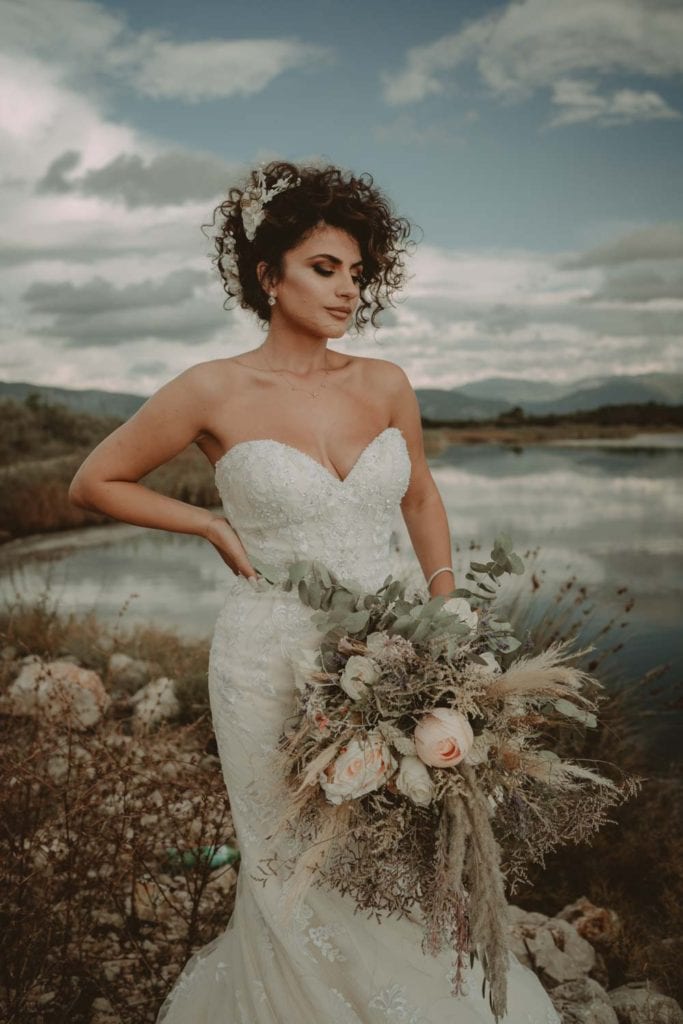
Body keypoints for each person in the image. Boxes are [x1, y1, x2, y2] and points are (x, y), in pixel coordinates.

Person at [69, 160, 560, 1023]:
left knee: (394, 843)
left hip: (393, 650)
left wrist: (445, 605)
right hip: (266, 658)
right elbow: (94, 482)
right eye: (323, 268)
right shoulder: (212, 388)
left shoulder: (383, 383)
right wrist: (211, 526)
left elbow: (418, 495)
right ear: (268, 275)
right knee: (292, 859)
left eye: (357, 274)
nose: (345, 292)